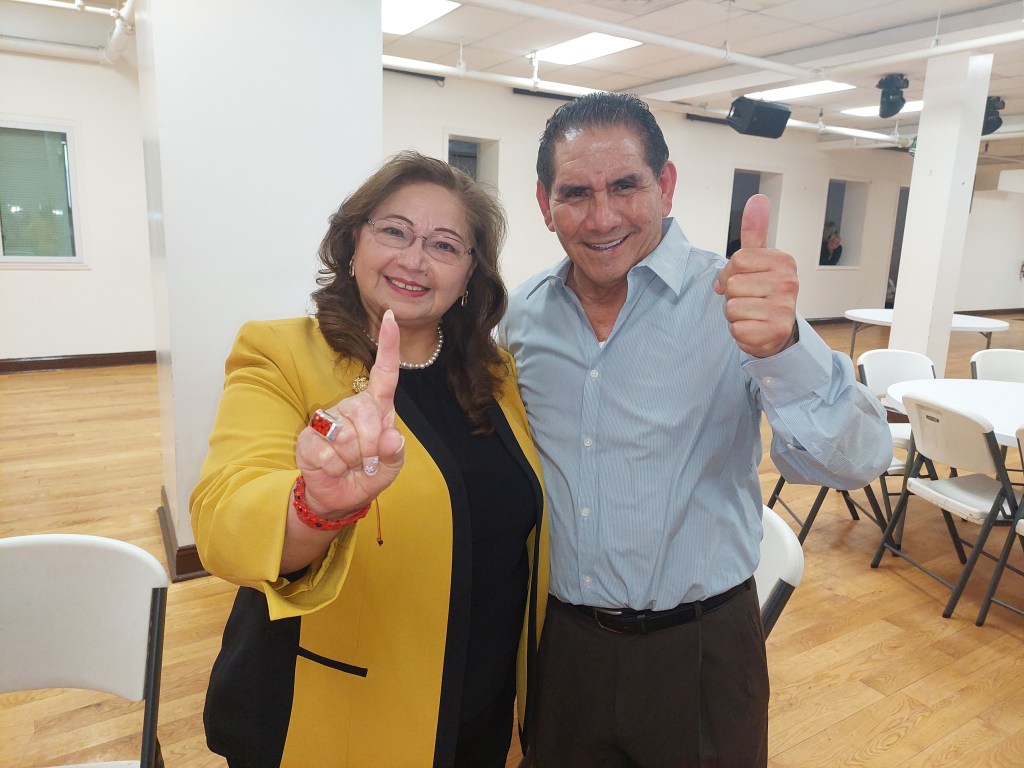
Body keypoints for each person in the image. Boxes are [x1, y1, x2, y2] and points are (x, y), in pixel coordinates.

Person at [498, 92, 891, 767]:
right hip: (562, 648)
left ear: (666, 185)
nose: (601, 217)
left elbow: (858, 461)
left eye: (626, 186)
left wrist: (785, 352)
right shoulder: (524, 316)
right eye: (576, 193)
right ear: (545, 202)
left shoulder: (736, 303)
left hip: (702, 652)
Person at [191, 151, 548, 768]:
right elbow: (224, 519)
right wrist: (316, 507)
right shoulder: (279, 352)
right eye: (394, 231)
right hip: (339, 718)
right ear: (352, 242)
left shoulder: (494, 373)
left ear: (470, 273)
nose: (414, 259)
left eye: (444, 244)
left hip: (477, 711)